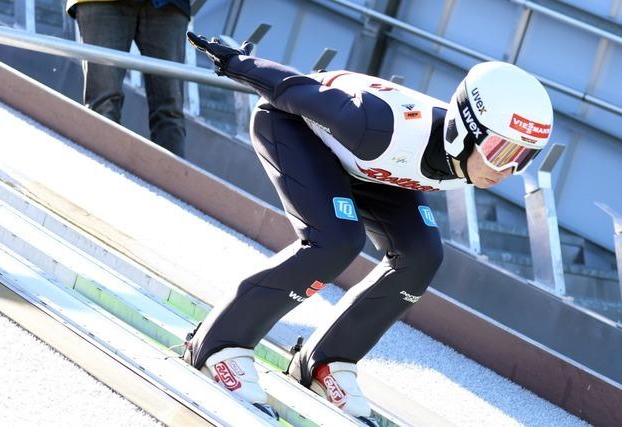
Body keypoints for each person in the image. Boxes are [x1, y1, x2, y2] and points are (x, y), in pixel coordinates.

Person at [182, 33, 553, 425]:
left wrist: (497, 153)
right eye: (501, 152)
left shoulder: (464, 159)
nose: (506, 171)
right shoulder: (382, 126)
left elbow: (412, 174)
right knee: (336, 241)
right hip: (294, 126)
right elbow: (294, 89)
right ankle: (219, 344)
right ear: (466, 128)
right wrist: (234, 60)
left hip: (373, 168)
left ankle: (326, 361)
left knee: (423, 256)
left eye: (521, 158)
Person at [66, 0, 190, 157]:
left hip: (170, 4)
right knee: (103, 107)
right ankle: (102, 176)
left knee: (169, 113)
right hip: (101, 2)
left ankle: (173, 178)